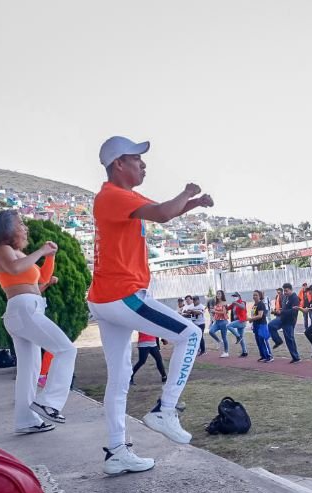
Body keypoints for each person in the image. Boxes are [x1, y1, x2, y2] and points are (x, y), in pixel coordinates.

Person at [88, 136, 210, 474]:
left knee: (119, 377)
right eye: (137, 159)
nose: (144, 165)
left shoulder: (122, 197)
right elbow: (163, 213)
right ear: (119, 165)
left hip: (105, 299)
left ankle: (116, 452)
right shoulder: (113, 196)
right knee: (190, 334)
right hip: (122, 295)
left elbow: (163, 213)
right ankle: (164, 410)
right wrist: (188, 192)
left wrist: (193, 204)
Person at [0, 210, 75, 434]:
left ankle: (25, 420)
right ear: (7, 228)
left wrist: (50, 257)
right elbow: (15, 269)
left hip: (28, 309)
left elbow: (42, 280)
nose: (25, 227)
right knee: (66, 349)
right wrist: (41, 250)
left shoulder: (18, 253)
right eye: (20, 223)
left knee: (29, 370)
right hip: (24, 309)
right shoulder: (2, 250)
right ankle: (50, 402)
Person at [268, 283, 301, 363]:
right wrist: (276, 312)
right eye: (284, 291)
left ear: (291, 290)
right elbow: (283, 308)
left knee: (289, 339)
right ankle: (278, 341)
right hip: (282, 318)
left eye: (286, 291)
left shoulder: (295, 298)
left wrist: (281, 312)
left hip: (290, 321)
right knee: (271, 325)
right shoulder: (285, 297)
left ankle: (296, 357)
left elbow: (293, 311)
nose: (285, 292)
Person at [249, 290, 273, 362]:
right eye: (253, 295)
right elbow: (253, 315)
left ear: (259, 296)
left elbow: (260, 316)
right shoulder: (254, 305)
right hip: (256, 325)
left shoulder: (261, 304)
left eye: (256, 295)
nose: (254, 296)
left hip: (262, 324)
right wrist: (251, 321)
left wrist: (251, 318)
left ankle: (269, 356)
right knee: (258, 341)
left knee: (262, 340)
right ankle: (263, 355)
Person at [207, 290, 230, 357]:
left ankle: (226, 352)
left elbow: (224, 313)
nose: (218, 295)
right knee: (211, 331)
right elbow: (215, 312)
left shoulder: (224, 303)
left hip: (223, 322)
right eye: (217, 294)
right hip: (217, 322)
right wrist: (212, 312)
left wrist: (215, 311)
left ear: (222, 295)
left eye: (219, 294)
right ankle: (219, 341)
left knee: (224, 337)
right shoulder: (216, 303)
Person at [227, 292, 249, 357]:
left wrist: (236, 303)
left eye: (235, 296)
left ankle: (238, 337)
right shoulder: (234, 304)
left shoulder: (242, 302)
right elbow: (227, 308)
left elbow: (243, 307)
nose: (234, 297)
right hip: (238, 321)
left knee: (228, 326)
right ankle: (244, 352)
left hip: (241, 321)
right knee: (242, 338)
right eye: (233, 296)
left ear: (239, 296)